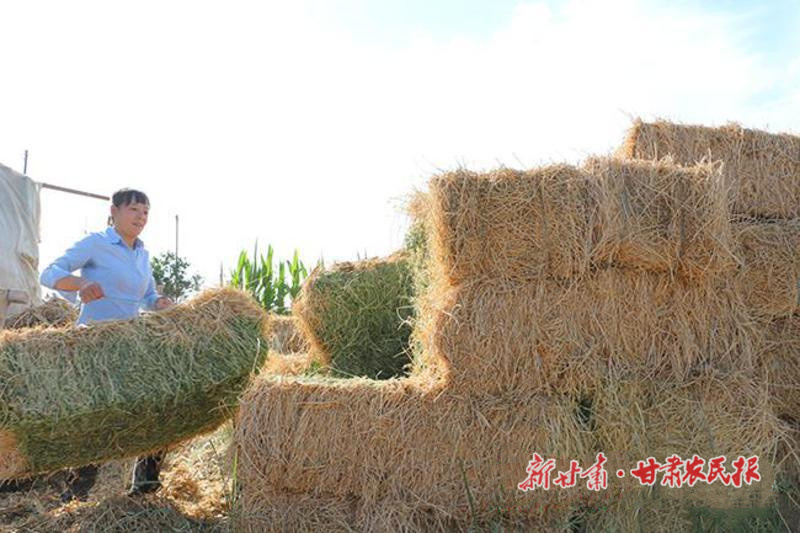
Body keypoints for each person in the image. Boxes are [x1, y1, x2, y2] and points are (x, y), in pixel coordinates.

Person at [39, 188, 174, 501]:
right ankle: (76, 493)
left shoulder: (142, 254)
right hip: (95, 345)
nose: (141, 217)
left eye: (146, 212)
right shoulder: (96, 243)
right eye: (134, 209)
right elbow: (49, 273)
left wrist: (159, 302)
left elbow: (147, 296)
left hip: (130, 343)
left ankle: (145, 484)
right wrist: (81, 283)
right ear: (113, 211)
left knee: (157, 403)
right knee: (98, 415)